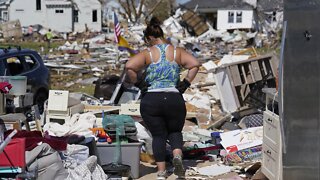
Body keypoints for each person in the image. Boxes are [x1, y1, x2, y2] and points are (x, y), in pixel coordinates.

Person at [125, 17, 200, 179]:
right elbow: (195, 64)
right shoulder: (176, 51)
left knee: (158, 135)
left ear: (150, 38)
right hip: (174, 98)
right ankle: (178, 156)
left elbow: (129, 66)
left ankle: (161, 172)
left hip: (152, 100)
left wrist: (139, 84)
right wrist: (185, 83)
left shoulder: (148, 53)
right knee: (175, 131)